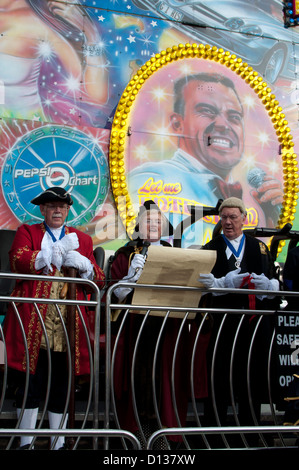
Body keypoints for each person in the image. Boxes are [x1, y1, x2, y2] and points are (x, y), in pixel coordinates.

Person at [3, 186, 105, 449]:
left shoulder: (83, 239)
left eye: (61, 206)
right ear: (43, 210)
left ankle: (58, 443)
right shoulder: (27, 232)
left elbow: (99, 279)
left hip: (67, 326)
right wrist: (55, 250)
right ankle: (26, 442)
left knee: (62, 382)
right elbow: (17, 260)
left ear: (68, 210)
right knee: (30, 383)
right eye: (51, 206)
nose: (57, 210)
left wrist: (85, 265)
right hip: (32, 322)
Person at [128, 73, 283, 246]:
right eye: (207, 111)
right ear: (178, 123)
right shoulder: (151, 177)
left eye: (234, 117)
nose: (224, 125)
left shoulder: (255, 197)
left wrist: (271, 220)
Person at [109, 200, 209, 448]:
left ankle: (165, 441)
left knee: (166, 384)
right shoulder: (124, 254)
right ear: (139, 225)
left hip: (168, 329)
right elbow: (113, 296)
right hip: (135, 329)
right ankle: (137, 439)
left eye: (156, 221)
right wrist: (129, 280)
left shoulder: (176, 253)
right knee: (137, 386)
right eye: (147, 220)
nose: (152, 224)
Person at [198, 197, 280, 447]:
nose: (229, 222)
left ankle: (251, 436)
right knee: (219, 380)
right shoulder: (209, 248)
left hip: (253, 327)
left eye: (234, 217)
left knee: (251, 380)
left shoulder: (259, 248)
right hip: (223, 326)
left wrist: (269, 288)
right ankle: (214, 437)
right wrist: (220, 285)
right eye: (224, 217)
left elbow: (273, 281)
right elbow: (201, 288)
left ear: (244, 218)